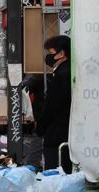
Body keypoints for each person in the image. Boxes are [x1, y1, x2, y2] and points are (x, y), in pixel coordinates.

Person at [37, 35, 72, 173]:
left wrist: (40, 126)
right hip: (65, 133)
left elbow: (52, 106)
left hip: (57, 135)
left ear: (62, 54)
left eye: (51, 53)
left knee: (55, 174)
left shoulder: (62, 75)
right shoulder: (68, 72)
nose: (48, 57)